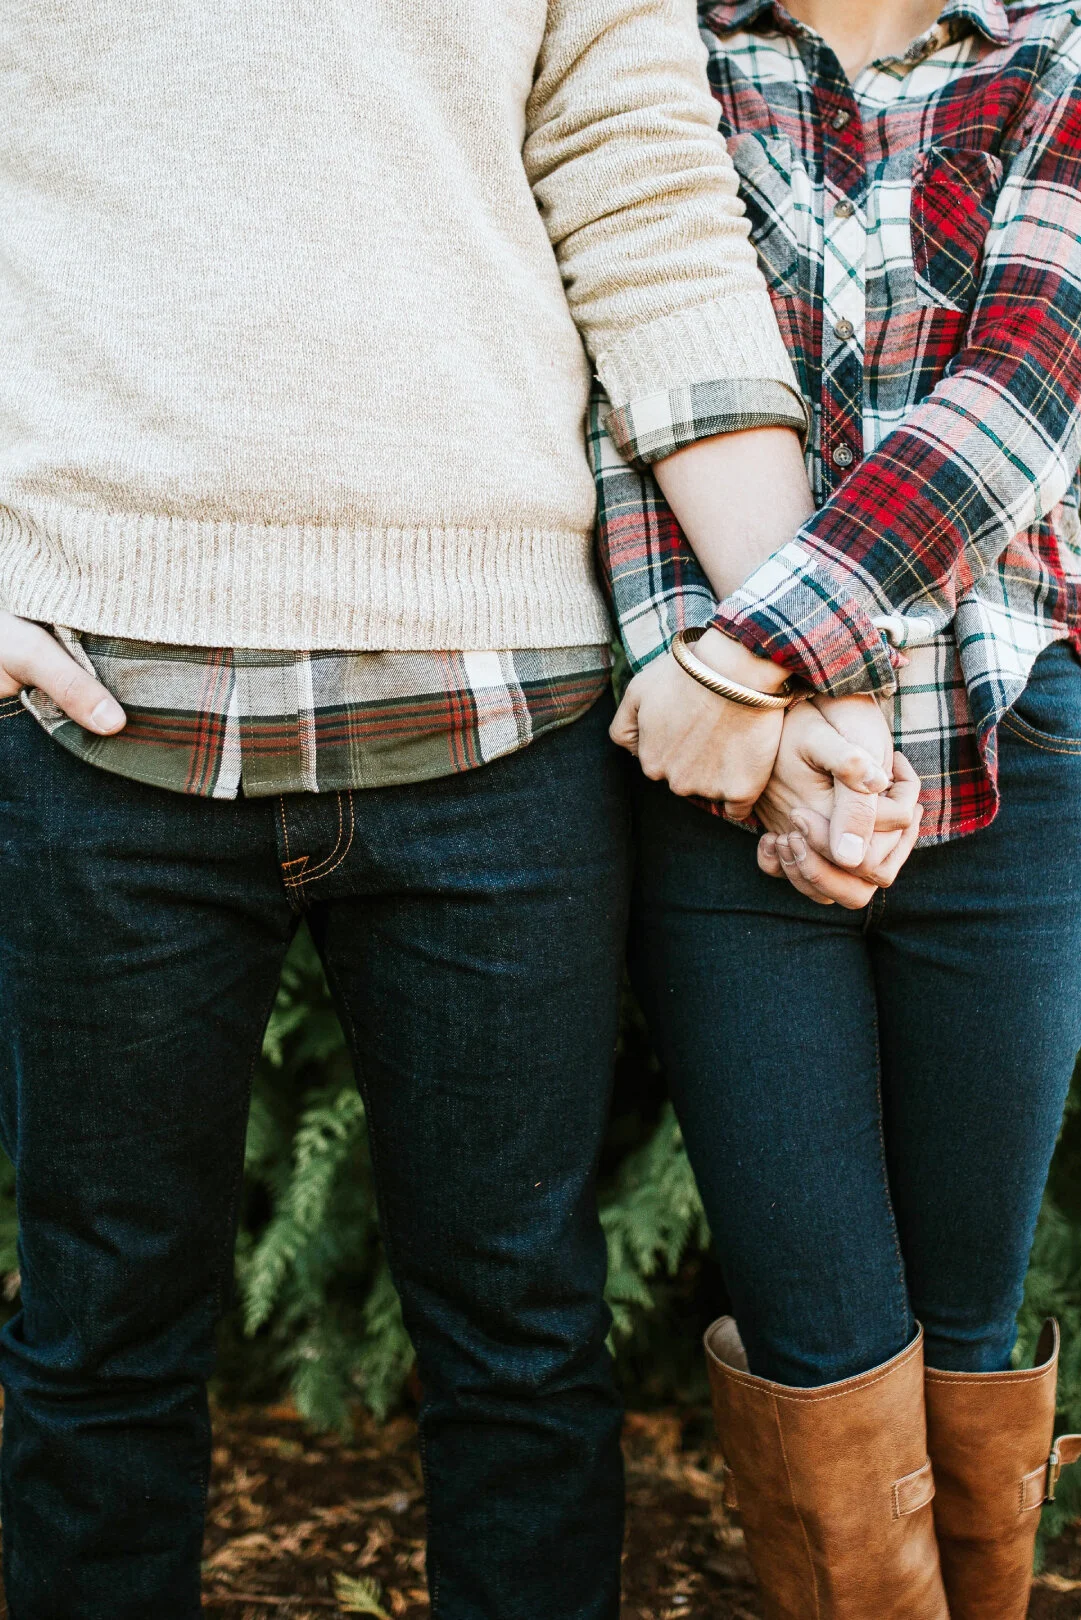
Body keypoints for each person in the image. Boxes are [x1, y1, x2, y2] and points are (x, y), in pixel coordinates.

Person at [0, 2, 890, 1615]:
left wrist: (801, 654)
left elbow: (649, 217)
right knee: (94, 1338)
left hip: (502, 722)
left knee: (522, 1344)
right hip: (96, 714)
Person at [594, 0, 1081, 1614]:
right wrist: (779, 720)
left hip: (1015, 744)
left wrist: (756, 661)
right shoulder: (662, 53)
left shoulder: (1054, 53)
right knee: (818, 1334)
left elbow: (1025, 391)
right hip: (728, 783)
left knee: (971, 1321)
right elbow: (634, 388)